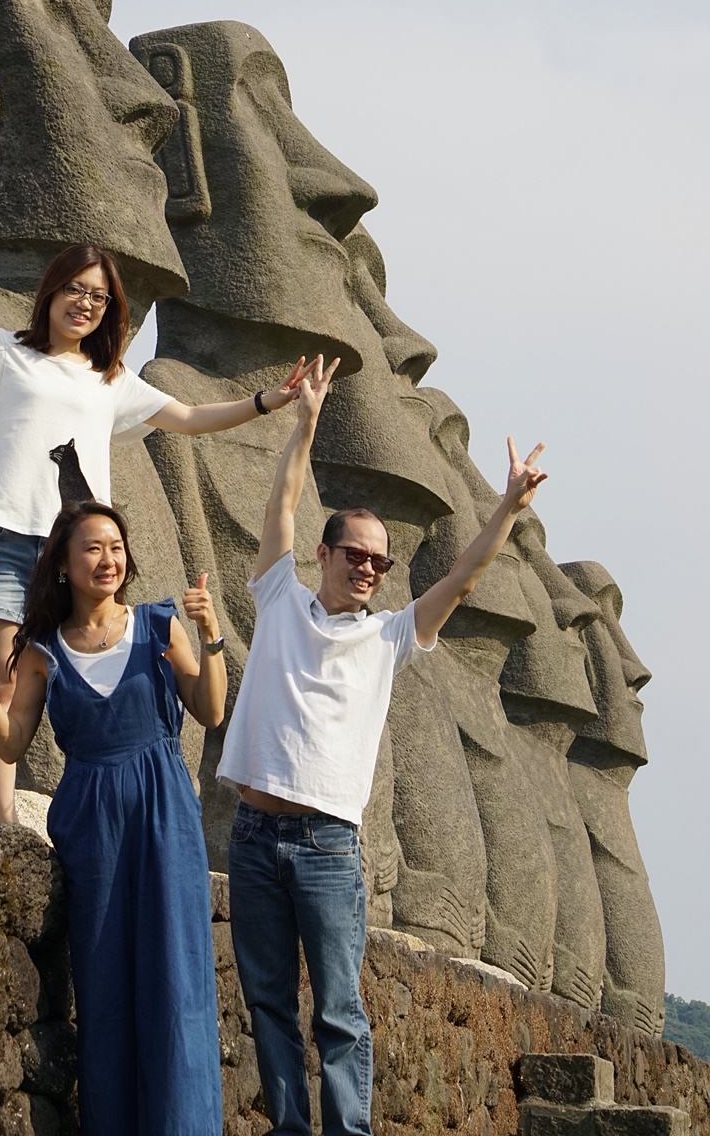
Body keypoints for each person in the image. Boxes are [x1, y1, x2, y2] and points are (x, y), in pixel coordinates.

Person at [220, 355, 547, 1136]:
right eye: (356, 554)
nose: (368, 568)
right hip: (254, 836)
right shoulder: (279, 599)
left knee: (338, 1011)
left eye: (380, 561)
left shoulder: (391, 637)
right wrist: (304, 425)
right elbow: (283, 503)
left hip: (330, 847)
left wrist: (507, 509)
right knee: (267, 1002)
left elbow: (463, 579)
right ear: (324, 556)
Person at [0, 240, 310, 820]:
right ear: (51, 291)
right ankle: (3, 821)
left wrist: (267, 401)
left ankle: (92, 801)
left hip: (79, 552)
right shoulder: (2, 350)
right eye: (75, 289)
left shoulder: (111, 379)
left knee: (81, 674)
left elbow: (190, 419)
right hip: (0, 537)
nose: (85, 304)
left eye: (99, 297)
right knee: (1, 680)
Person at [0, 499, 227, 1136]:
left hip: (164, 815)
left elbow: (211, 710)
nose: (108, 559)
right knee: (103, 985)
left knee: (176, 977)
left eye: (116, 547)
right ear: (62, 564)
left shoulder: (159, 625)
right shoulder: (42, 651)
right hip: (90, 824)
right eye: (93, 548)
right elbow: (11, 743)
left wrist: (210, 633)